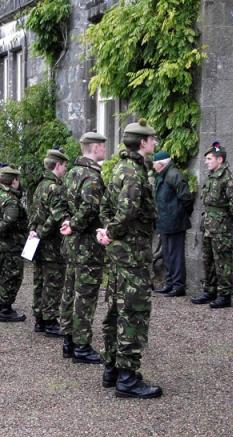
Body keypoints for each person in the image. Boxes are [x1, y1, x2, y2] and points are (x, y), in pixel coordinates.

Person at [97, 118, 162, 399]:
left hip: (120, 253)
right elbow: (127, 211)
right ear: (143, 143)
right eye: (152, 139)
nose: (155, 143)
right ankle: (127, 378)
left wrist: (107, 232)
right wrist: (111, 232)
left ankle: (112, 368)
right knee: (132, 312)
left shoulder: (119, 169)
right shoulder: (133, 173)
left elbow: (106, 206)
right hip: (132, 254)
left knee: (115, 308)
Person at [60, 132, 107, 364]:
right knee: (84, 296)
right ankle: (81, 345)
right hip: (87, 244)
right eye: (103, 146)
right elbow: (90, 209)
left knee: (70, 292)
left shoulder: (71, 173)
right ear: (96, 148)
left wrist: (69, 223)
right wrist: (75, 225)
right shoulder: (91, 177)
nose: (105, 150)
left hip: (72, 244)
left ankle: (68, 340)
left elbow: (63, 204)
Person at [191, 142, 233, 308]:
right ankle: (210, 290)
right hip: (209, 227)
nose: (206, 162)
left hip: (221, 229)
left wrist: (225, 221)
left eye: (209, 158)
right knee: (209, 261)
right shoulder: (211, 177)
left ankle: (224, 295)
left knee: (223, 262)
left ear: (219, 159)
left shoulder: (228, 179)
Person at [29, 149, 69, 336]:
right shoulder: (55, 188)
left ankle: (39, 318)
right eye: (64, 165)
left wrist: (33, 231)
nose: (65, 169)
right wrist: (41, 234)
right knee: (53, 281)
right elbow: (55, 217)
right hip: (50, 243)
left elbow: (35, 212)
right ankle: (50, 320)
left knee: (39, 280)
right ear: (58, 165)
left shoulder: (40, 186)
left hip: (38, 241)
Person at [0, 166, 27, 322]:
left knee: (1, 275)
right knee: (12, 277)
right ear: (14, 180)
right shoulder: (10, 199)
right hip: (11, 244)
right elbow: (8, 222)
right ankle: (5, 309)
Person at [152, 151, 193, 297]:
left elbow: (186, 198)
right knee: (168, 255)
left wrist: (180, 215)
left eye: (154, 163)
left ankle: (178, 286)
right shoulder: (162, 175)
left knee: (176, 255)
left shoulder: (174, 175)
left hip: (175, 222)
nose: (153, 166)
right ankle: (169, 284)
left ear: (161, 163)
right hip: (165, 222)